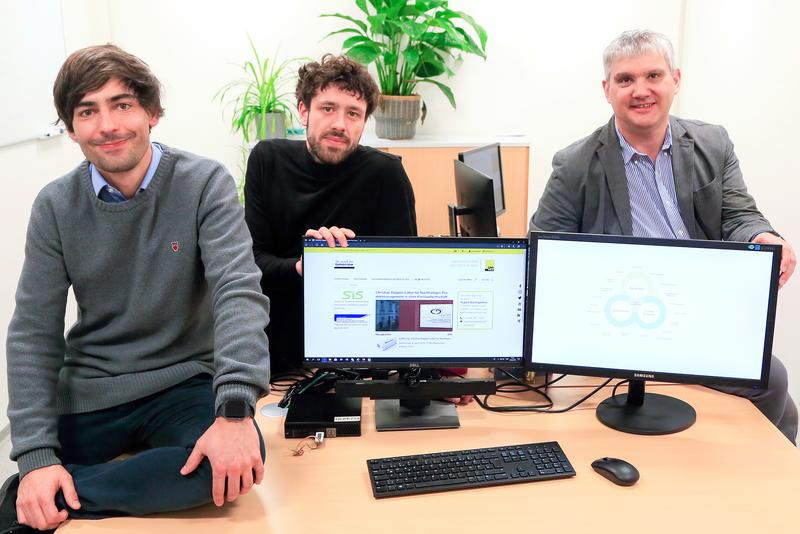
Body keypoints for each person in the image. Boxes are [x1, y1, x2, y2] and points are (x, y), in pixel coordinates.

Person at [0, 45, 271, 534]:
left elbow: (239, 293)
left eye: (121, 104)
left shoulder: (204, 183)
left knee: (232, 463)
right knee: (31, 490)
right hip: (93, 389)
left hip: (183, 381)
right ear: (70, 127)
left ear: (152, 112)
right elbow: (33, 333)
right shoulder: (55, 206)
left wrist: (234, 412)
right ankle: (49, 487)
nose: (107, 125)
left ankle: (68, 490)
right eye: (88, 111)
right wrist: (37, 461)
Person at [530, 29, 797, 443]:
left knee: (771, 382)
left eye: (653, 76)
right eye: (625, 80)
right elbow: (542, 252)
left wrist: (762, 235)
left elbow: (738, 214)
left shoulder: (713, 142)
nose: (641, 91)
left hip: (698, 309)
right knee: (773, 378)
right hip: (625, 316)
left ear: (675, 79)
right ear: (607, 89)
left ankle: (761, 483)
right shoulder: (575, 164)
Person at [245, 54, 417, 374]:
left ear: (364, 123)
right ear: (303, 111)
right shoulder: (267, 160)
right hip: (278, 348)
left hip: (358, 348)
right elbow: (251, 260)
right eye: (328, 108)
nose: (340, 124)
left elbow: (404, 277)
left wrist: (345, 266)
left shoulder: (386, 175)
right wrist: (303, 266)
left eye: (354, 113)